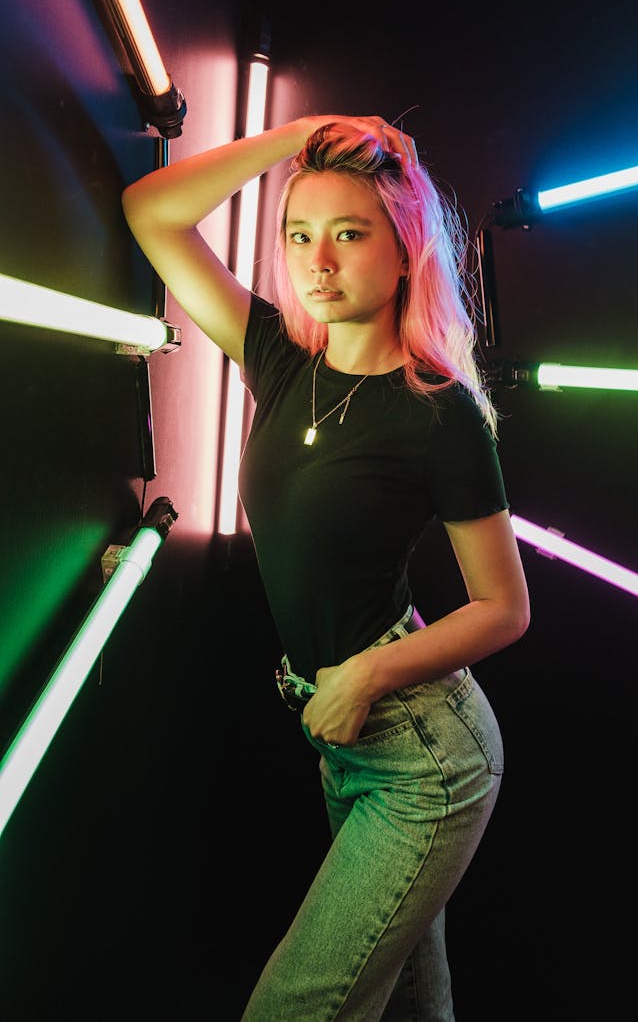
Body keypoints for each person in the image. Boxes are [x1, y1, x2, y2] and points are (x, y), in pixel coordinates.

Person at [122, 113, 530, 1021]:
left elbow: (504, 607)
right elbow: (151, 212)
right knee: (414, 1008)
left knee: (292, 1008)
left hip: (423, 753)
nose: (320, 261)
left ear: (403, 251)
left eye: (349, 234)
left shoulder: (438, 411)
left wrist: (369, 674)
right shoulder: (277, 357)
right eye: (299, 235)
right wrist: (296, 135)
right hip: (339, 738)